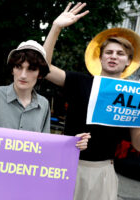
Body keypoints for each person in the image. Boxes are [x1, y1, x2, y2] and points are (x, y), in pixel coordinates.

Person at [43, 2, 140, 200]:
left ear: (129, 61)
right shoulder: (80, 81)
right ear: (101, 57)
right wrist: (56, 27)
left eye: (120, 53)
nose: (114, 57)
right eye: (109, 52)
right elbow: (44, 69)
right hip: (67, 165)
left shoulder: (134, 95)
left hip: (102, 172)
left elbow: (137, 144)